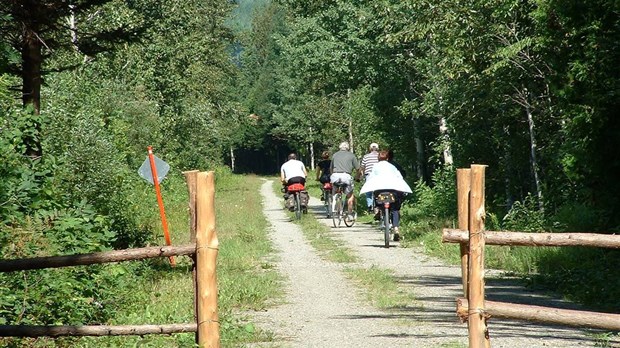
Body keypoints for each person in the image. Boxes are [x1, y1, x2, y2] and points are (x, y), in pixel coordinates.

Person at [360, 150, 412, 242]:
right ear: (388, 158)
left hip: (380, 190)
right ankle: (396, 228)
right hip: (393, 189)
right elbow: (399, 177)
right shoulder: (392, 166)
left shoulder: (375, 167)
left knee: (378, 201)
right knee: (395, 209)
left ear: (378, 158)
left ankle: (380, 212)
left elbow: (371, 178)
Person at [330, 142, 360, 220]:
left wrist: (332, 175)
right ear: (348, 148)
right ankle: (349, 214)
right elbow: (358, 169)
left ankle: (336, 203)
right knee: (350, 195)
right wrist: (357, 177)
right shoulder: (351, 155)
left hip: (335, 176)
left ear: (340, 147)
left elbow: (331, 168)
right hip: (346, 176)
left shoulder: (335, 155)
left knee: (335, 191)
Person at [360, 143, 380, 213]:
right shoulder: (379, 156)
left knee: (368, 191)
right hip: (378, 175)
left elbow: (362, 167)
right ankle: (378, 204)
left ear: (370, 149)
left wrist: (362, 175)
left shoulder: (366, 156)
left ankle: (369, 205)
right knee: (378, 190)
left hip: (369, 175)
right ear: (377, 148)